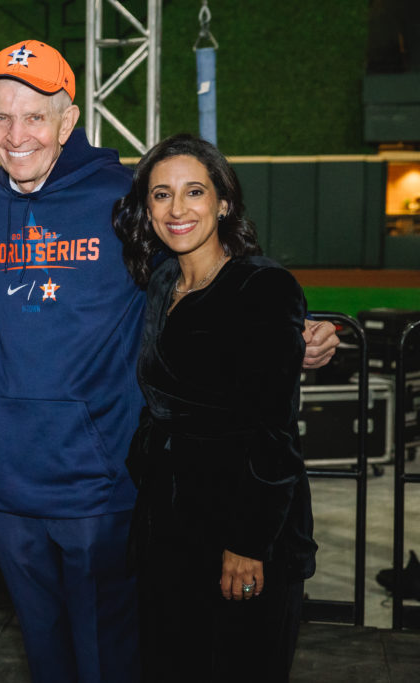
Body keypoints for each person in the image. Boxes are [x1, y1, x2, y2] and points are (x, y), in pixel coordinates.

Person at [0, 40, 338, 682]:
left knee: (113, 661)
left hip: (98, 481)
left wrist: (291, 332)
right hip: (8, 482)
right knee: (46, 659)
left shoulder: (122, 196)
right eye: (1, 116)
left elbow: (204, 257)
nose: (16, 132)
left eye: (34, 115)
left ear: (68, 119)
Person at [112, 133, 317, 682]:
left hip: (242, 530)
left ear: (223, 201)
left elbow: (273, 431)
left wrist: (247, 544)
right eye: (161, 194)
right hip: (168, 526)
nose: (177, 209)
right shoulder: (159, 280)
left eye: (194, 191)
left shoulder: (263, 287)